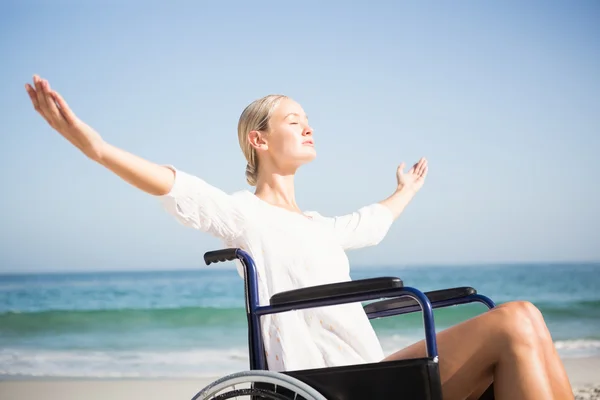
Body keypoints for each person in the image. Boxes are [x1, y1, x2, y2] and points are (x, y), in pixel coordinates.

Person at [25, 75, 573, 400]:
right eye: (293, 120)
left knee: (527, 319)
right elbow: (173, 185)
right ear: (258, 140)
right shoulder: (243, 215)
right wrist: (94, 147)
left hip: (370, 374)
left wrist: (404, 190)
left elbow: (371, 223)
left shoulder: (315, 226)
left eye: (307, 118)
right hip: (330, 386)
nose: (308, 125)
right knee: (516, 317)